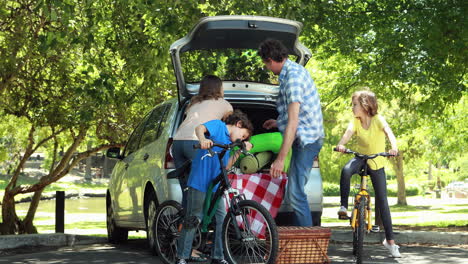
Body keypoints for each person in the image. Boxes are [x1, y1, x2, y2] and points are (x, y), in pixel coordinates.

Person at [258, 38, 324, 227]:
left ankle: (308, 243)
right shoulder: (289, 74)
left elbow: (294, 122)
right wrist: (279, 122)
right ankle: (300, 237)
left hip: (307, 140)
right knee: (295, 192)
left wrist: (280, 159)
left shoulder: (293, 77)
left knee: (295, 192)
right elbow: (293, 116)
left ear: (270, 60)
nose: (267, 68)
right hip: (304, 136)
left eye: (266, 64)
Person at [176, 110, 254, 264]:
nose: (242, 139)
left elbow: (227, 166)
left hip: (215, 185)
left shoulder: (230, 144)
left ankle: (218, 256)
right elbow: (200, 128)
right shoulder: (219, 126)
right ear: (238, 124)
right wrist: (203, 139)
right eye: (243, 135)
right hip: (200, 180)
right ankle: (182, 256)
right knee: (194, 217)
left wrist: (238, 151)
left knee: (221, 218)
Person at [172, 75, 232, 262]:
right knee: (200, 196)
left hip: (177, 143)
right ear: (219, 89)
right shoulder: (224, 103)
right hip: (196, 143)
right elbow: (224, 126)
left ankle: (184, 245)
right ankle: (188, 249)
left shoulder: (192, 102)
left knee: (189, 197)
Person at [335, 90, 401, 258]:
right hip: (361, 159)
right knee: (346, 170)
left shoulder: (378, 120)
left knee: (383, 201)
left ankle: (390, 242)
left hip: (377, 161)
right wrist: (341, 145)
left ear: (365, 105)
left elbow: (390, 134)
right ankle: (343, 207)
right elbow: (347, 135)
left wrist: (394, 148)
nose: (352, 108)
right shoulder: (355, 121)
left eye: (355, 104)